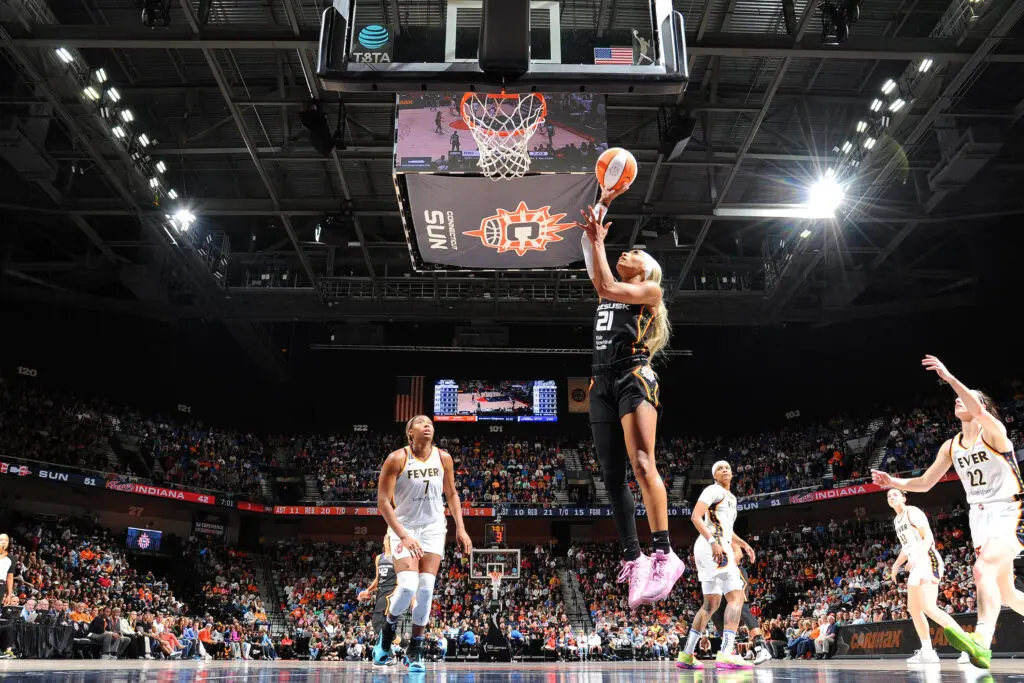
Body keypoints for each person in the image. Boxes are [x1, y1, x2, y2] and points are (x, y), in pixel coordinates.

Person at [873, 355, 1024, 670]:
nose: (959, 399)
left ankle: (981, 640)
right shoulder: (951, 445)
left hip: (1010, 510)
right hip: (979, 518)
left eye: (966, 396)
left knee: (982, 570)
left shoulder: (994, 432)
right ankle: (982, 637)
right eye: (957, 397)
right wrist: (892, 480)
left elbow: (979, 408)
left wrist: (950, 377)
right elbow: (926, 483)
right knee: (1008, 592)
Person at [578, 193, 682, 608]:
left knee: (642, 464)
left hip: (634, 376)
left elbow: (603, 280)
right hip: (599, 383)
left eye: (637, 250)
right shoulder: (610, 292)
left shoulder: (650, 292)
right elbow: (592, 258)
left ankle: (664, 552)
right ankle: (633, 558)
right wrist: (599, 214)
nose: (629, 249)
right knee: (611, 477)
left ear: (648, 270)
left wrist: (600, 242)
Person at [373, 415, 473, 672]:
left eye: (429, 422)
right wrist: (404, 535)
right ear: (410, 433)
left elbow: (451, 493)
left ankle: (415, 648)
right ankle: (388, 630)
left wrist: (461, 528)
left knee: (426, 590)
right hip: (403, 527)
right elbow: (383, 502)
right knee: (407, 587)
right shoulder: (397, 458)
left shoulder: (444, 457)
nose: (427, 425)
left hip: (432, 529)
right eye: (420, 423)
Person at [676, 461, 754, 670]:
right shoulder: (713, 490)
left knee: (711, 604)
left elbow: (726, 530)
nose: (725, 470)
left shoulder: (731, 498)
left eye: (728, 467)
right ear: (714, 476)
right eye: (720, 469)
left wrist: (743, 543)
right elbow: (695, 516)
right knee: (736, 597)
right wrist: (713, 543)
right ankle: (727, 653)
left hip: (711, 545)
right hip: (713, 545)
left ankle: (686, 654)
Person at [885, 488, 971, 663]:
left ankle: (969, 646)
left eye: (895, 494)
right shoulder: (896, 520)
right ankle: (928, 652)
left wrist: (915, 557)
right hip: (916, 563)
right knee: (914, 609)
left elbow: (929, 538)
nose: (891, 496)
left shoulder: (913, 512)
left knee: (929, 608)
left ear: (903, 497)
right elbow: (907, 546)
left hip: (927, 559)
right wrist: (895, 565)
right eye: (888, 495)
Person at [710, 559, 772, 665]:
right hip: (718, 576)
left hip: (733, 572)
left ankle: (761, 648)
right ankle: (730, 651)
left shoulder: (727, 542)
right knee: (716, 613)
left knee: (741, 606)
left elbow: (738, 554)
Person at [358, 536, 398, 637]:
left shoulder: (397, 557)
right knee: (382, 625)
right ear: (384, 541)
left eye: (391, 538)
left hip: (392, 591)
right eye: (387, 538)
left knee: (377, 622)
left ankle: (397, 643)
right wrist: (368, 590)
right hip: (381, 591)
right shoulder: (379, 558)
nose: (389, 540)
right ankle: (397, 644)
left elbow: (402, 578)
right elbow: (377, 579)